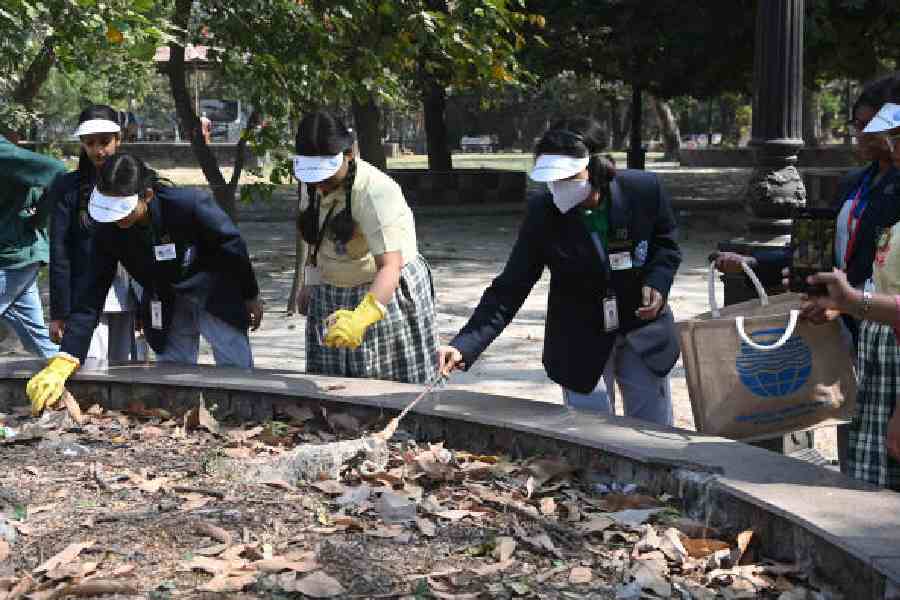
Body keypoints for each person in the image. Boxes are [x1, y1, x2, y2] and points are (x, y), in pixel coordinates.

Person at [438, 116, 682, 425]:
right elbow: (511, 287)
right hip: (579, 338)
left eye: (567, 178)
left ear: (594, 167)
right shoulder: (543, 212)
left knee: (654, 431)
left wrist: (658, 281)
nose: (558, 188)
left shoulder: (643, 190)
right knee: (589, 434)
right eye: (551, 180)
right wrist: (464, 345)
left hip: (642, 331)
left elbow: (666, 244)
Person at [26, 153, 264, 415]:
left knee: (236, 369)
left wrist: (249, 294)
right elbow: (90, 291)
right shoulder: (107, 227)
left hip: (213, 294)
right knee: (173, 378)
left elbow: (232, 245)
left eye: (124, 210)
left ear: (147, 195)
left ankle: (243, 419)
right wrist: (67, 357)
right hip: (163, 301)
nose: (118, 219)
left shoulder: (188, 203)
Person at [715, 75, 900, 341]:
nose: (862, 134)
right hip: (849, 332)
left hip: (885, 331)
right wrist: (753, 263)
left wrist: (846, 304)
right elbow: (815, 253)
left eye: (871, 125)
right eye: (857, 125)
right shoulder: (853, 182)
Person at [292, 111, 438, 384]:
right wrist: (309, 282)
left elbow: (390, 266)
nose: (319, 186)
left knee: (385, 389)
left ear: (349, 154)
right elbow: (316, 234)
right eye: (313, 178)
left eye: (326, 177)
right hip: (332, 291)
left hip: (382, 292)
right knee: (331, 389)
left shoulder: (375, 191)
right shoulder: (311, 184)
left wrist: (362, 317)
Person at [801, 99, 900, 491]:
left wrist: (851, 301)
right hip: (872, 343)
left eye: (890, 134)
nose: (872, 138)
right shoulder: (857, 181)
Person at [48, 105, 139, 366]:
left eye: (105, 142)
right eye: (90, 143)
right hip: (85, 298)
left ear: (118, 140)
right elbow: (60, 251)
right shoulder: (67, 187)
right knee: (88, 367)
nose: (99, 150)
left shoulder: (137, 179)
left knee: (126, 371)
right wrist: (59, 312)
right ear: (82, 144)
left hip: (128, 293)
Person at [0, 129, 66, 359]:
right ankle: (69, 391)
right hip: (17, 257)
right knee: (41, 344)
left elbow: (57, 172)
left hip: (11, 258)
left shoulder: (4, 153)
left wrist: (38, 219)